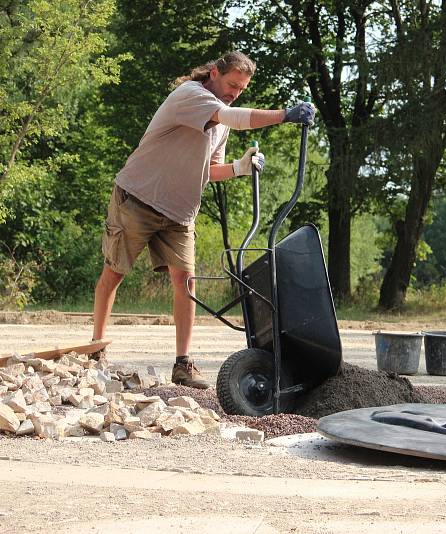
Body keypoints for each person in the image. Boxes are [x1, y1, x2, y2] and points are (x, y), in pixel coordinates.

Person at [90, 51, 315, 389]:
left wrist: (240, 167)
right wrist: (285, 115)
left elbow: (209, 169)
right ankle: (96, 352)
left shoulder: (219, 123)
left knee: (187, 283)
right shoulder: (191, 95)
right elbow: (232, 116)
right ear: (213, 73)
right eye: (231, 84)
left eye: (241, 89)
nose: (234, 93)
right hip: (137, 198)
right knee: (114, 272)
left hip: (179, 213)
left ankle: (182, 365)